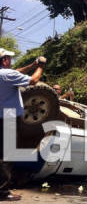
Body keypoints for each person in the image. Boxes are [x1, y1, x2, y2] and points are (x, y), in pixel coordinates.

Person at [0, 48, 46, 201]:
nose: (11, 61)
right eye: (9, 58)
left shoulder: (5, 74)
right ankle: (3, 192)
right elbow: (33, 81)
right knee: (6, 155)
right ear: (4, 60)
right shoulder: (8, 75)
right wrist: (40, 66)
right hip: (8, 117)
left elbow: (15, 72)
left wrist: (31, 65)